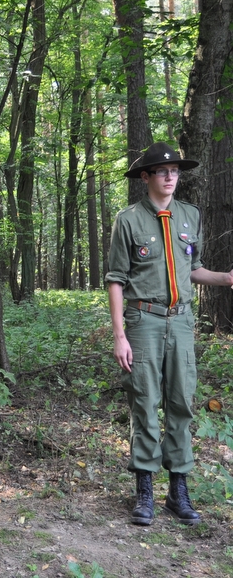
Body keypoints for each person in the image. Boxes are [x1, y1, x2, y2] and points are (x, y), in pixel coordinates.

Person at [106, 141, 233, 527]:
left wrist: (226, 278)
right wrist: (119, 334)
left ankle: (178, 492)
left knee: (181, 402)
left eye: (175, 170)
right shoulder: (128, 220)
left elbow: (193, 268)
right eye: (162, 171)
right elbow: (115, 280)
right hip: (143, 320)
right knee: (144, 402)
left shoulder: (189, 216)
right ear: (145, 177)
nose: (170, 176)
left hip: (181, 321)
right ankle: (144, 490)